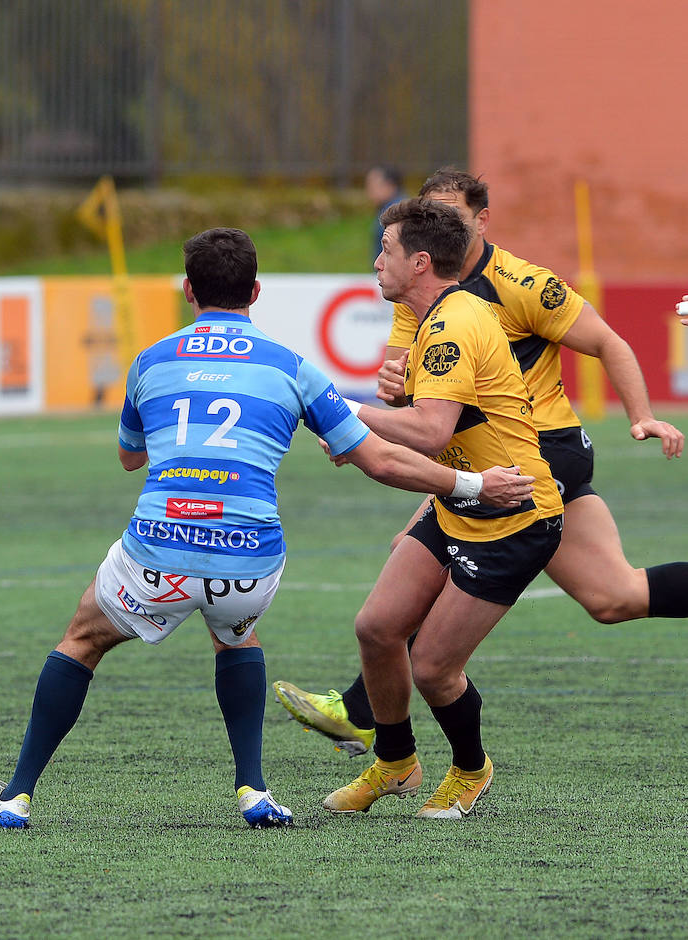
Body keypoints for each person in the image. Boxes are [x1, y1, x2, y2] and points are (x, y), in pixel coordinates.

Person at [0, 226, 534, 830]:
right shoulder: (292, 368)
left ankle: (15, 796)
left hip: (162, 551)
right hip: (250, 562)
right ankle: (254, 791)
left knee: (81, 638)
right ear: (255, 291)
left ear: (188, 291)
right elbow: (383, 461)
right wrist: (474, 485)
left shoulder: (151, 361)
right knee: (235, 634)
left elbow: (131, 457)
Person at [275, 168, 687, 758]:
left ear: (480, 220)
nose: (437, 224)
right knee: (612, 597)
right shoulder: (418, 295)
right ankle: (376, 713)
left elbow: (608, 342)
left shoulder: (520, 283)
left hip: (540, 449)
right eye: (427, 214)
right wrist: (390, 389)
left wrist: (641, 415)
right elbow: (404, 389)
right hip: (482, 449)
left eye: (450, 214)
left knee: (410, 557)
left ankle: (368, 713)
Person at [313, 199, 564, 819]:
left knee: (432, 667)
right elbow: (431, 426)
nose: (376, 262)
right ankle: (395, 764)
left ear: (419, 262)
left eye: (386, 251)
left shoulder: (453, 324)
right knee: (377, 629)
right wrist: (372, 427)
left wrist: (336, 411)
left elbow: (428, 433)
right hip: (462, 499)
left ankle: (470, 772)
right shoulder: (438, 318)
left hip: (514, 513)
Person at [365, 164, 406, 261]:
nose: (369, 191)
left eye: (372, 185)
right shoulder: (387, 209)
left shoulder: (398, 213)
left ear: (390, 185)